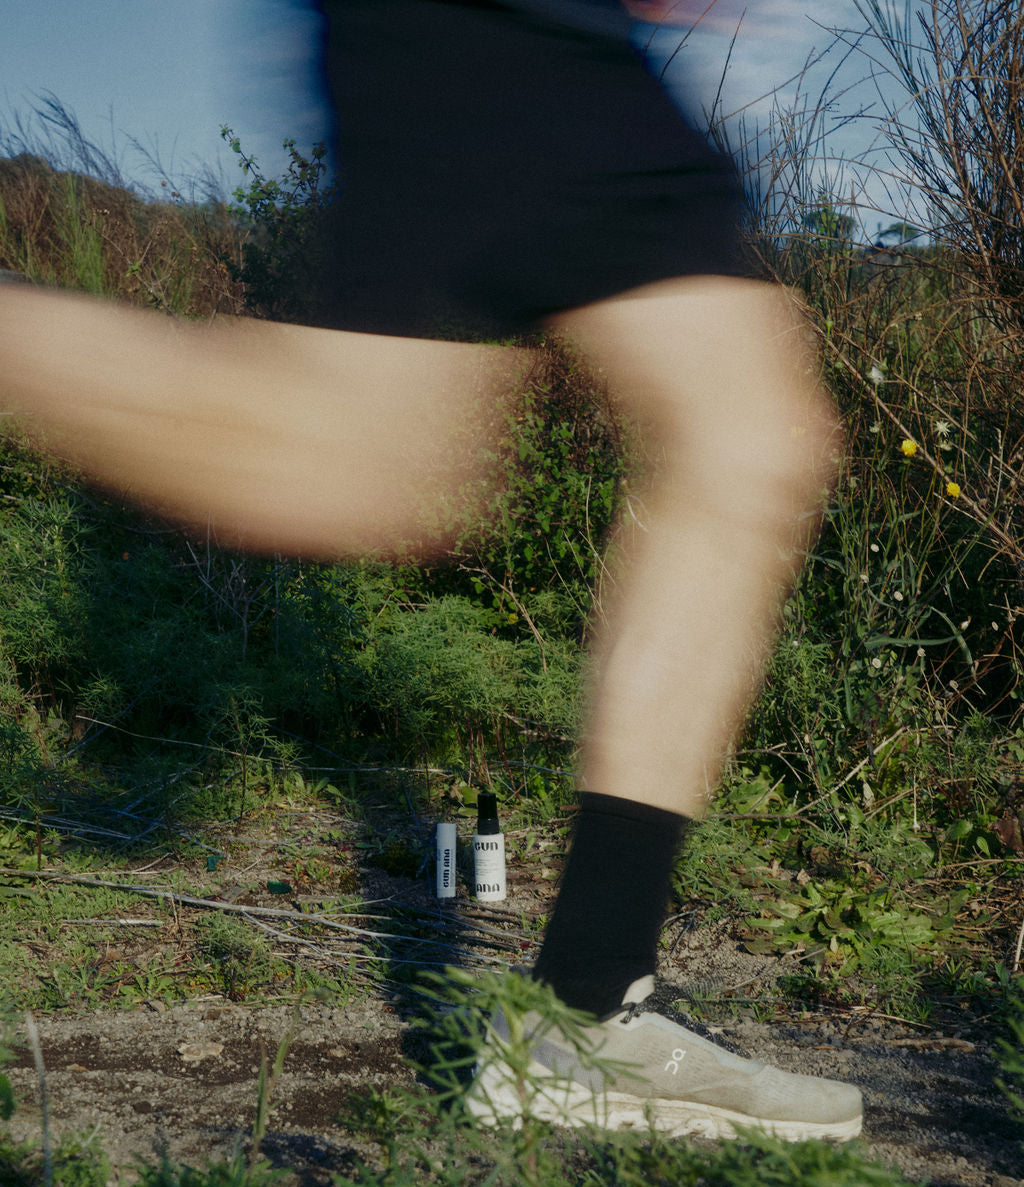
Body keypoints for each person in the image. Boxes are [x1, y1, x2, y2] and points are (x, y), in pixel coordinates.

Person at [0, 0, 862, 1140]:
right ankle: (585, 1010)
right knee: (351, 469)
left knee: (746, 436)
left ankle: (589, 1002)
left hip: (574, 36)